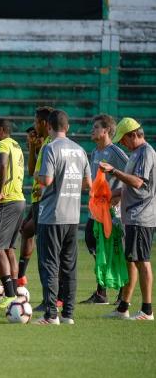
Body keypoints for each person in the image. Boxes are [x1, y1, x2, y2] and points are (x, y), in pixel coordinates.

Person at [33, 110, 91, 325]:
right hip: (73, 215)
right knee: (69, 266)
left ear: (49, 126)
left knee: (50, 264)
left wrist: (38, 177)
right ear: (67, 127)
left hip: (52, 215)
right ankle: (68, 314)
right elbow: (88, 184)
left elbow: (46, 180)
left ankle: (50, 315)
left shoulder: (50, 148)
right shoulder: (80, 149)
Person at [102, 118, 155, 321]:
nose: (122, 143)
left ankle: (147, 310)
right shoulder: (136, 153)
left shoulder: (145, 153)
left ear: (133, 134)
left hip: (141, 215)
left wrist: (114, 171)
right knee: (131, 260)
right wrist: (110, 194)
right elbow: (128, 186)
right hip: (133, 214)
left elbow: (139, 183)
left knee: (142, 260)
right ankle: (123, 307)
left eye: (123, 139)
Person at [80, 114, 128, 305]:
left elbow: (133, 178)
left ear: (106, 130)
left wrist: (117, 196)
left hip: (113, 213)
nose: (92, 130)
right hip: (96, 211)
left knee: (117, 251)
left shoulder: (115, 152)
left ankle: (124, 294)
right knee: (93, 244)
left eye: (96, 127)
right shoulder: (95, 153)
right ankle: (101, 293)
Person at [0, 118, 25, 310]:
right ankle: (15, 291)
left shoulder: (1, 145)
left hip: (8, 199)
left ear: (1, 130)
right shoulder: (15, 144)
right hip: (19, 199)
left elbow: (2, 165)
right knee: (9, 249)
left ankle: (10, 295)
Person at [18, 107, 53, 290]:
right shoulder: (44, 145)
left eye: (36, 122)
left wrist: (44, 189)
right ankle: (21, 277)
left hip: (46, 201)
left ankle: (56, 296)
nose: (34, 126)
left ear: (44, 123)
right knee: (26, 231)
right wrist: (32, 146)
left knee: (47, 249)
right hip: (36, 200)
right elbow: (32, 171)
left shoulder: (51, 145)